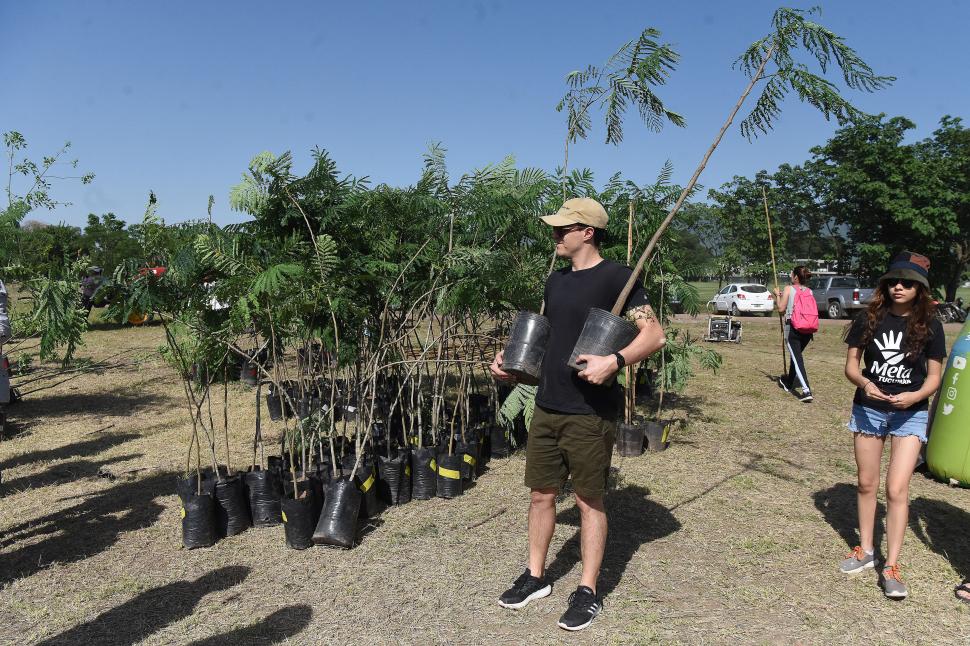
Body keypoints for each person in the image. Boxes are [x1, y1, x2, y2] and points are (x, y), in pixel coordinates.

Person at [489, 197, 666, 631]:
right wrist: (514, 367)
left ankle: (587, 590)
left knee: (588, 500)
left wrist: (616, 361)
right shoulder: (556, 281)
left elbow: (655, 334)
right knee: (540, 495)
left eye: (563, 228)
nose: (555, 234)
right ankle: (535, 576)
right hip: (548, 406)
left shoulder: (619, 278)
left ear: (588, 232)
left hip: (590, 412)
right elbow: (548, 341)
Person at [838, 251, 946, 600]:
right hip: (869, 409)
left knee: (897, 489)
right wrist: (867, 385)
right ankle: (866, 550)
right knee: (866, 483)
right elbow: (852, 367)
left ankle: (892, 565)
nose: (899, 286)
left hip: (909, 413)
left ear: (920, 288)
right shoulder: (869, 318)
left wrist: (915, 397)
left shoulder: (931, 325)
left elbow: (934, 377)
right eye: (894, 281)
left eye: (908, 282)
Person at [774, 266, 815, 402]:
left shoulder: (788, 288)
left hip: (793, 328)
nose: (791, 275)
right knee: (795, 356)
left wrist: (777, 297)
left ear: (796, 277)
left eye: (792, 274)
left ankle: (806, 390)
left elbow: (781, 309)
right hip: (808, 330)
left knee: (797, 359)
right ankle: (789, 382)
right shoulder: (809, 291)